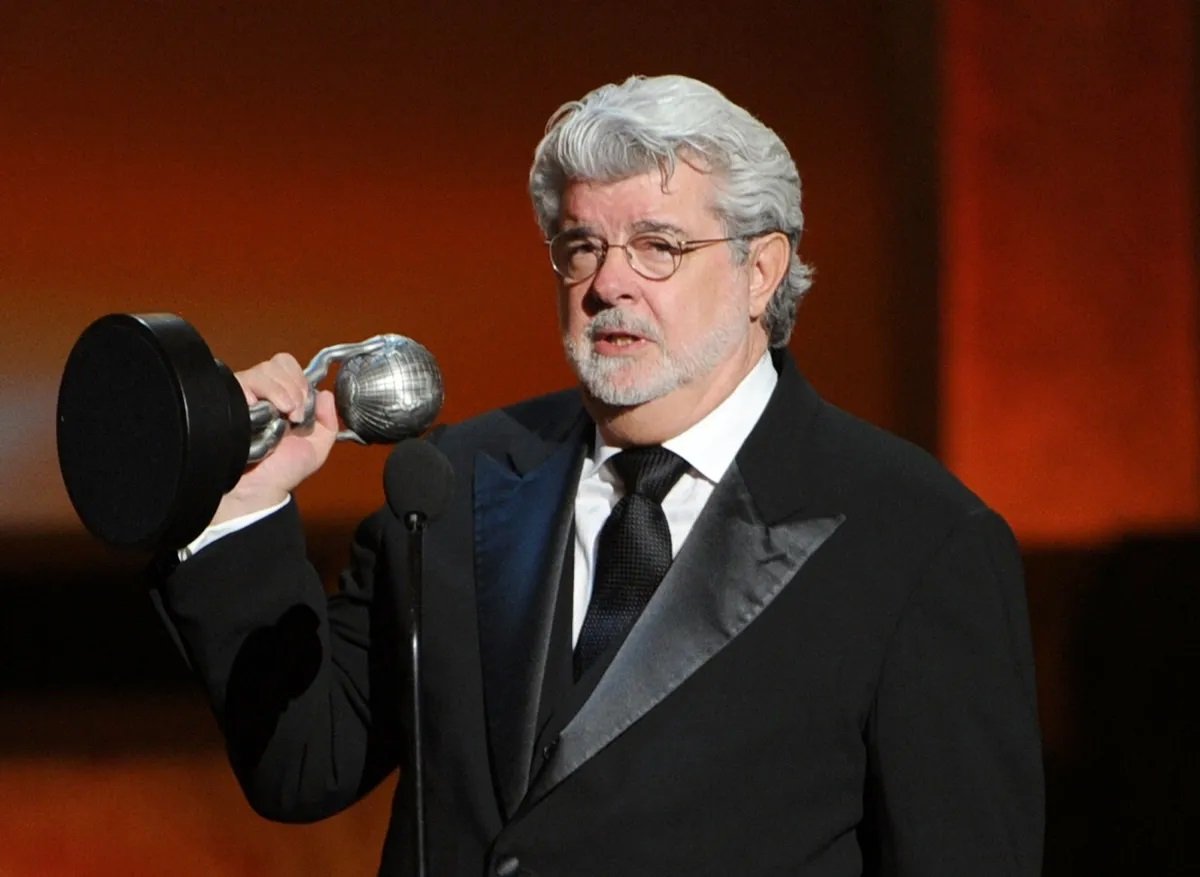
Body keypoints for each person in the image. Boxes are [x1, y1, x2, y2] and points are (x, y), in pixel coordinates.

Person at [154, 74, 1044, 876]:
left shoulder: (915, 539)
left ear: (759, 272)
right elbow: (306, 760)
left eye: (657, 245)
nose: (607, 283)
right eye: (581, 247)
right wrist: (245, 510)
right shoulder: (454, 484)